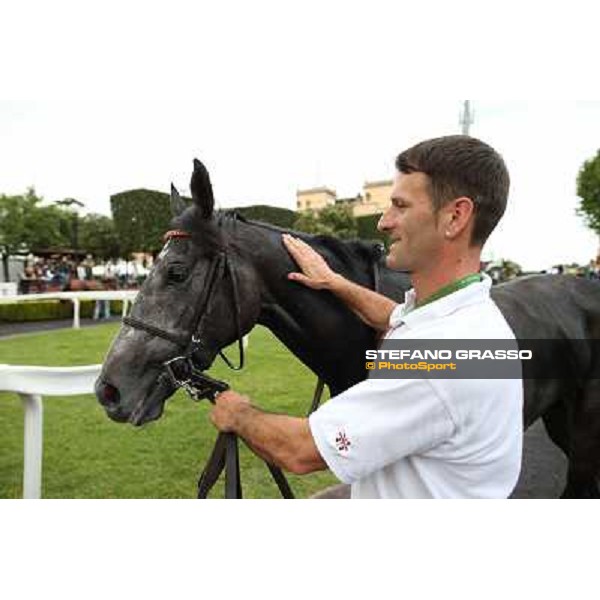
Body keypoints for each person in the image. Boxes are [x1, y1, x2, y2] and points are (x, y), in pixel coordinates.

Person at [209, 135, 524, 499]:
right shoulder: (461, 315)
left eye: (401, 206)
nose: (383, 222)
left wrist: (239, 414)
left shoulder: (438, 356)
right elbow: (394, 316)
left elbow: (300, 451)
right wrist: (335, 283)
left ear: (455, 217)